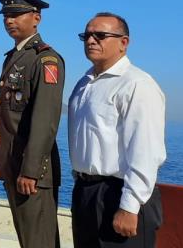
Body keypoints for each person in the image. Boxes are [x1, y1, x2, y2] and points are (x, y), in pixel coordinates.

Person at [68, 13, 165, 248]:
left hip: (118, 195)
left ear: (124, 43)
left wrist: (130, 206)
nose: (91, 41)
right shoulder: (84, 83)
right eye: (86, 35)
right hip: (85, 192)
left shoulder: (136, 84)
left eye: (100, 35)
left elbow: (145, 150)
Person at [0, 0, 65, 248]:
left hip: (30, 170)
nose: (10, 20)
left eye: (17, 14)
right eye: (6, 16)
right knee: (27, 239)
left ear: (36, 17)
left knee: (39, 241)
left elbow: (44, 120)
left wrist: (31, 171)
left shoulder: (45, 60)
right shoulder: (15, 57)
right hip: (14, 164)